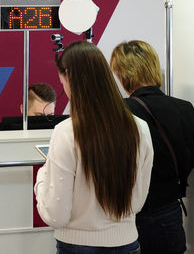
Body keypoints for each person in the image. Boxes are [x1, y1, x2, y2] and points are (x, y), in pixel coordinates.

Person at [35, 41, 153, 254]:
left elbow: (55, 215)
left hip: (77, 246)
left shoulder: (67, 132)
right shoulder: (140, 128)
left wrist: (42, 178)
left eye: (62, 80)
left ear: (68, 75)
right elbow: (136, 203)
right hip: (128, 243)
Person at [110, 40, 194, 254]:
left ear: (123, 73)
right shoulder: (185, 109)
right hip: (170, 213)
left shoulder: (119, 111)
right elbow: (187, 162)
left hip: (129, 215)